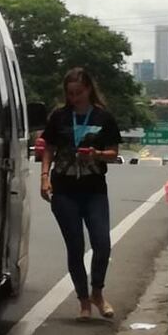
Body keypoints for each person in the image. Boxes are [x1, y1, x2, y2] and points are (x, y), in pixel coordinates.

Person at [40, 67, 122, 321]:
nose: (74, 97)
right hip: (64, 189)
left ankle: (98, 292)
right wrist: (44, 177)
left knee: (101, 242)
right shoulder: (59, 117)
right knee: (75, 245)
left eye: (78, 92)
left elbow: (113, 152)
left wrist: (96, 155)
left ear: (88, 90)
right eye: (70, 93)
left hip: (94, 188)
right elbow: (48, 148)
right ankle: (83, 301)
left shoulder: (103, 117)